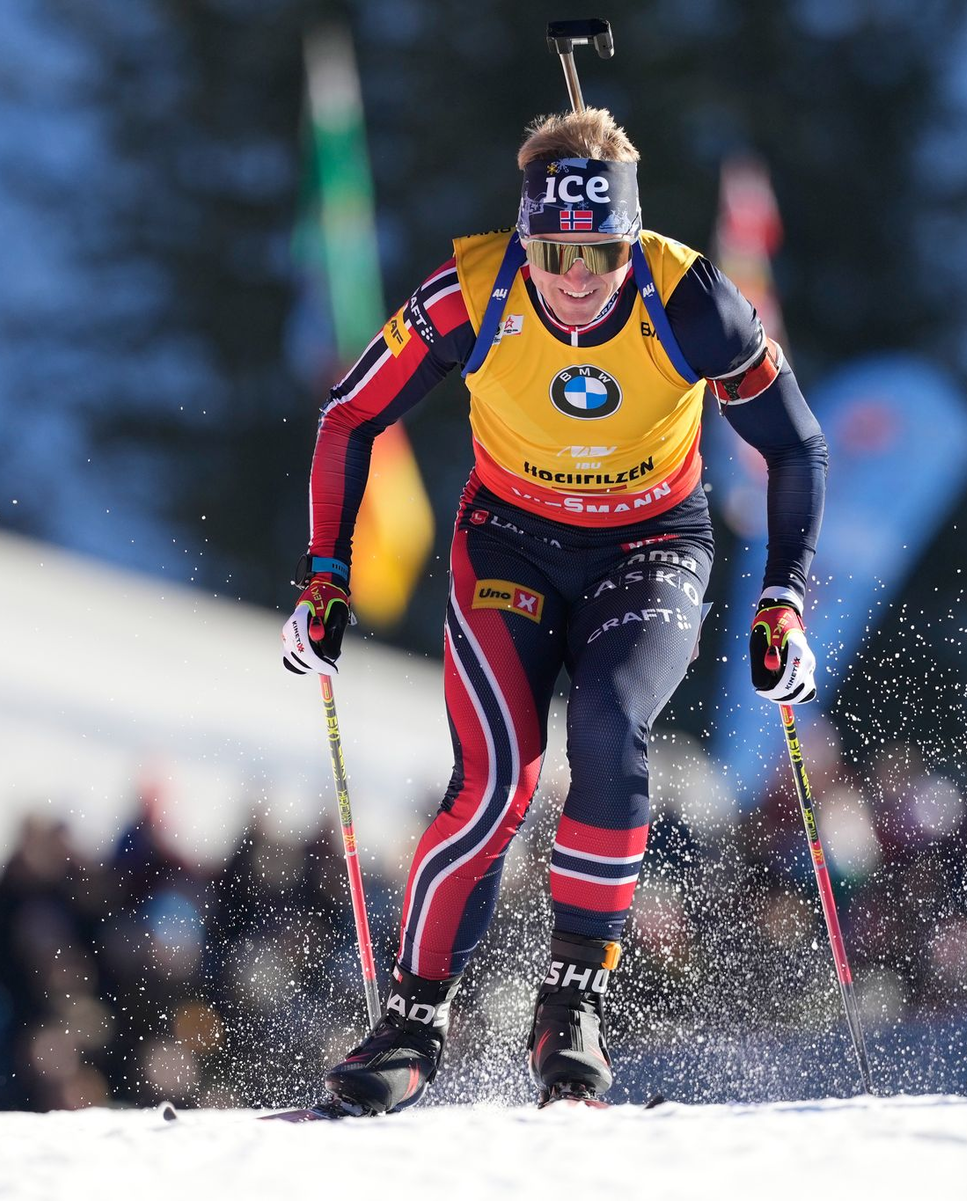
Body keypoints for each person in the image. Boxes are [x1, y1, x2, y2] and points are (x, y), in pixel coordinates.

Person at [281, 107, 827, 1111]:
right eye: (555, 252)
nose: (576, 277)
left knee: (613, 730)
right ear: (527, 239)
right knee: (495, 784)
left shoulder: (695, 298)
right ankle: (412, 1021)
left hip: (652, 544)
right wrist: (325, 576)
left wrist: (783, 597)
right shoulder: (473, 291)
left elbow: (794, 446)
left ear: (632, 239)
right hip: (511, 544)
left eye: (601, 252)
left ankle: (569, 1005)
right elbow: (350, 412)